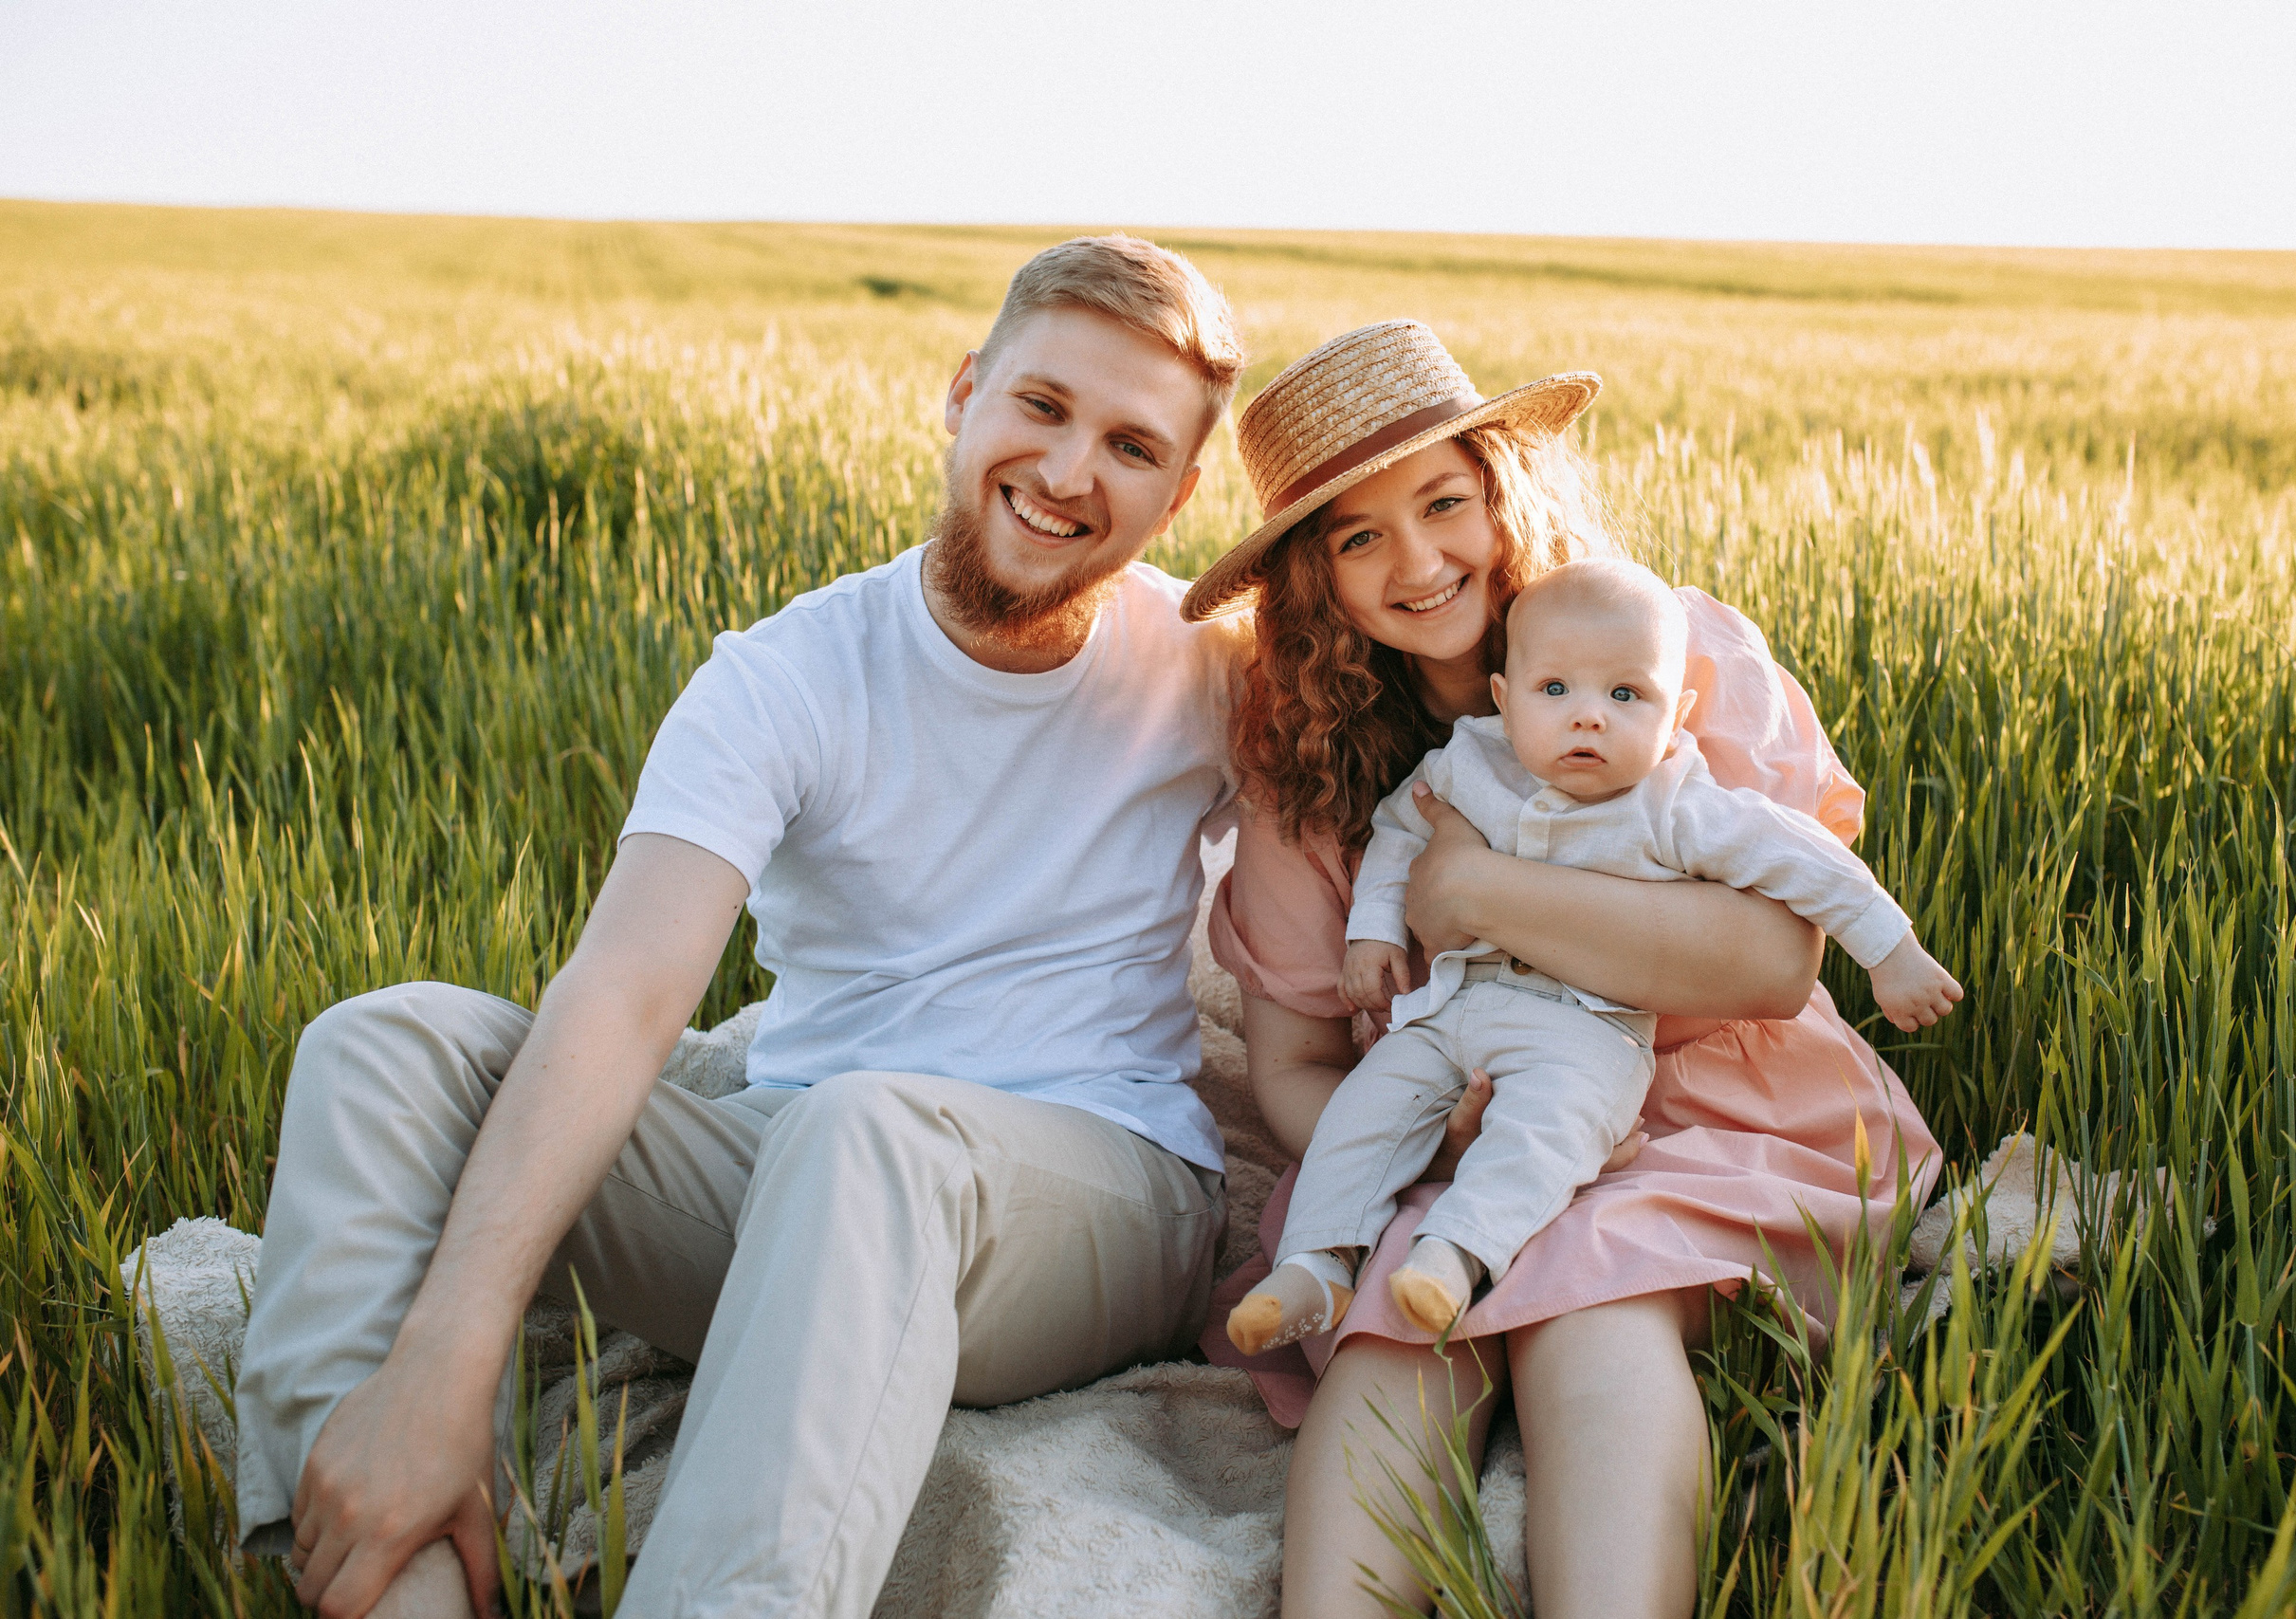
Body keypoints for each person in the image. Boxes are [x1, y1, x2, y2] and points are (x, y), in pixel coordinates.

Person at [235, 235, 1248, 1619]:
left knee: (871, 1129)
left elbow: (1468, 734)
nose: (1071, 471)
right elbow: (627, 994)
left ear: (1180, 492)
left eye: (1132, 447)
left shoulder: (1212, 667)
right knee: (381, 1046)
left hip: (1097, 1204)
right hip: (802, 1188)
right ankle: (391, 1574)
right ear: (965, 392)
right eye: (1043, 405)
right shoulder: (786, 676)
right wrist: (449, 1355)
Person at [1185, 321, 1944, 1619]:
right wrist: (1429, 1140)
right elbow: (1295, 1061)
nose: (1418, 560)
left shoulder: (1658, 653)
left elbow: (1771, 962)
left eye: (1445, 501)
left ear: (1502, 491)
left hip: (1718, 1114)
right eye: (1360, 536)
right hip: (1461, 1120)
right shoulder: (1305, 762)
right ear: (1315, 577)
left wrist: (1474, 892)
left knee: (1595, 1291)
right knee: (1395, 1332)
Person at [1226, 557, 1961, 1355]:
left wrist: (1892, 950)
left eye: (1625, 695)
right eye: (1555, 690)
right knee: (1365, 1109)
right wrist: (1372, 931)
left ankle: (1455, 1255)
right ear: (1505, 699)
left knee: (1546, 1131)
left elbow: (1801, 858)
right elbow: (1401, 832)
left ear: (1675, 714)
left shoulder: (1676, 801)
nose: (1588, 718)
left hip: (1587, 1031)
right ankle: (1319, 1260)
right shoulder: (1472, 761)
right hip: (1453, 1007)